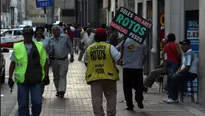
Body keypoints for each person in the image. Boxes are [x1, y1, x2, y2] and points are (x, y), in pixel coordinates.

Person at [8, 26, 49, 116]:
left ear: (32, 35)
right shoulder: (17, 47)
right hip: (22, 81)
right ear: (23, 35)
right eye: (26, 35)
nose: (27, 37)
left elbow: (45, 62)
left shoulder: (40, 46)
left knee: (37, 103)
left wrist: (46, 76)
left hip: (36, 80)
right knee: (23, 105)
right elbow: (13, 64)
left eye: (29, 35)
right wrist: (10, 77)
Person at [84, 28, 121, 116]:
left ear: (95, 37)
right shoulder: (109, 47)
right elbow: (118, 59)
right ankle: (111, 114)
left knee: (96, 98)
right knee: (111, 96)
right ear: (106, 36)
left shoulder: (89, 48)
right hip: (109, 76)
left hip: (95, 77)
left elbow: (86, 61)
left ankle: (99, 114)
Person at [117, 37, 148, 111]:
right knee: (139, 85)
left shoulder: (125, 41)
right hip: (138, 68)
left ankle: (130, 105)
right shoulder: (142, 42)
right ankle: (138, 96)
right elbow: (146, 55)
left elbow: (120, 53)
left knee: (127, 87)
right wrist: (142, 63)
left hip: (127, 68)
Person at [47, 26, 74, 98]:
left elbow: (70, 46)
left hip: (64, 60)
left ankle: (62, 91)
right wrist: (50, 52)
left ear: (59, 31)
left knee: (62, 75)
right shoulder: (50, 40)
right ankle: (58, 90)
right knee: (56, 76)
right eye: (54, 31)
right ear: (52, 32)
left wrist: (72, 55)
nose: (55, 32)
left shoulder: (65, 37)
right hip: (54, 60)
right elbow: (48, 51)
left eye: (56, 30)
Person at [162, 33, 181, 101]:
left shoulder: (166, 45)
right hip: (174, 63)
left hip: (168, 63)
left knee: (169, 79)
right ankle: (173, 97)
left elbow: (163, 54)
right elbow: (179, 53)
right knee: (173, 80)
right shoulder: (176, 45)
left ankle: (170, 96)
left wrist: (164, 62)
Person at [33, 25, 50, 95]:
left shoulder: (47, 40)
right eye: (38, 31)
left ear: (43, 32)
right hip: (33, 61)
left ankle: (40, 92)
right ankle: (35, 91)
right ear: (36, 32)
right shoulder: (32, 39)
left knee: (42, 76)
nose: (39, 32)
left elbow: (50, 49)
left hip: (44, 61)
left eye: (41, 31)